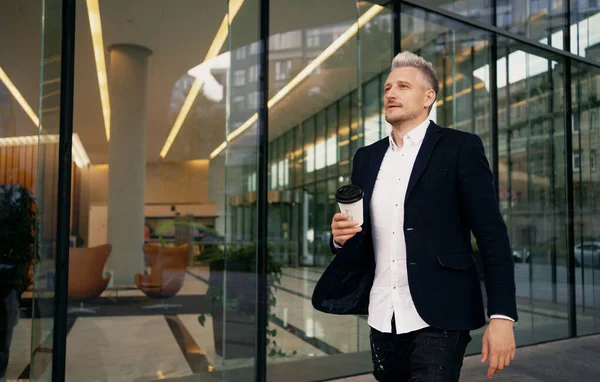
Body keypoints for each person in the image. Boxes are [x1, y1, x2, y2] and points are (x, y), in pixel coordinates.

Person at [312, 51, 517, 382]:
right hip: (382, 315)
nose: (391, 93)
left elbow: (492, 235)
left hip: (441, 315)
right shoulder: (366, 158)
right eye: (388, 87)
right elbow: (361, 239)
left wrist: (503, 316)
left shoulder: (460, 148)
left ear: (428, 97)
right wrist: (340, 239)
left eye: (403, 86)